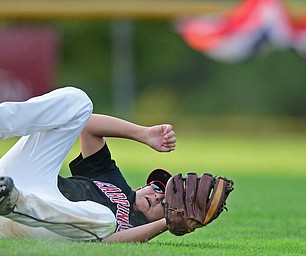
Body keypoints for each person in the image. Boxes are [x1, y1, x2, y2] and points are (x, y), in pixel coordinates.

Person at [0, 86, 176, 242]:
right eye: (159, 189)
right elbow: (88, 126)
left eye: (165, 203)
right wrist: (143, 134)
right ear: (140, 187)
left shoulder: (137, 228)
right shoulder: (115, 181)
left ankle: (13, 202)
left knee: (107, 221)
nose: (157, 197)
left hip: (39, 222)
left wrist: (167, 223)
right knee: (79, 102)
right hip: (24, 183)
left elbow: (110, 240)